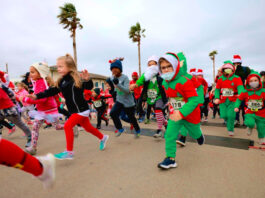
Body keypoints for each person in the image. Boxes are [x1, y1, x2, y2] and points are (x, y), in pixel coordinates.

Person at [28, 54, 109, 160]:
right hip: (74, 111)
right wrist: (36, 96)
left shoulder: (76, 79)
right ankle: (103, 138)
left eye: (61, 66)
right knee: (88, 128)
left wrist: (88, 79)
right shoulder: (61, 81)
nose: (58, 69)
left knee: (67, 126)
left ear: (70, 67)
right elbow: (51, 91)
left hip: (81, 110)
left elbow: (89, 87)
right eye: (57, 67)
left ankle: (69, 152)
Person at [157, 52, 204, 170]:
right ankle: (170, 159)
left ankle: (199, 135)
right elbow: (173, 96)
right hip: (175, 114)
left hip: (190, 114)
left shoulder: (184, 81)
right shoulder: (164, 82)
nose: (166, 70)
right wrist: (171, 103)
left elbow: (194, 100)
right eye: (163, 67)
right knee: (169, 135)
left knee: (194, 134)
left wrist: (181, 112)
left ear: (175, 66)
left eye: (169, 66)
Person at [22, 62, 63, 155]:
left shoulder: (41, 82)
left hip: (50, 110)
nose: (30, 74)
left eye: (32, 72)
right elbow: (37, 96)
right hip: (41, 111)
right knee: (35, 128)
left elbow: (42, 99)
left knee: (57, 127)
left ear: (40, 73)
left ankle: (71, 126)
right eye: (30, 72)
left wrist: (25, 99)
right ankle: (33, 147)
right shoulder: (36, 82)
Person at [130, 56, 168, 138]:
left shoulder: (161, 74)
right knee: (159, 112)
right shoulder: (146, 74)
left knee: (158, 109)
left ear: (157, 65)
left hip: (160, 96)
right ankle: (165, 123)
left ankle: (159, 130)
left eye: (153, 64)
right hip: (150, 97)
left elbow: (167, 81)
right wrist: (135, 85)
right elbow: (140, 80)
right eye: (149, 65)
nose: (151, 67)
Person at [109, 58, 141, 138]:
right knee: (112, 113)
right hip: (120, 100)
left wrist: (118, 84)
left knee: (131, 118)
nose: (114, 70)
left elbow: (127, 90)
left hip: (128, 102)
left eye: (116, 68)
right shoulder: (112, 78)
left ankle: (137, 130)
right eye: (112, 69)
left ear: (120, 69)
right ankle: (120, 128)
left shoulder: (125, 78)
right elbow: (114, 88)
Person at [0, 73, 32, 147]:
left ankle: (30, 138)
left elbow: (11, 96)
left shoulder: (2, 87)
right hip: (1, 111)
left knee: (20, 124)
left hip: (9, 110)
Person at [214, 61, 244, 136]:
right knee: (224, 115)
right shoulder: (220, 79)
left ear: (233, 70)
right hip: (222, 100)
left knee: (231, 116)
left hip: (233, 100)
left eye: (229, 69)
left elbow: (240, 87)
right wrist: (217, 98)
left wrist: (240, 94)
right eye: (226, 69)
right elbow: (217, 89)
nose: (227, 70)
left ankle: (230, 129)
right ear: (223, 70)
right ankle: (229, 122)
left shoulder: (237, 78)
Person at [235, 71, 265, 145]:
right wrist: (236, 106)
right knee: (250, 123)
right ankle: (250, 127)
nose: (253, 82)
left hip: (261, 113)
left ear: (259, 81)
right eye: (251, 81)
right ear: (248, 82)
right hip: (249, 112)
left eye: (255, 80)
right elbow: (239, 99)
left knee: (261, 127)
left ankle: (261, 139)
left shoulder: (263, 91)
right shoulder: (245, 92)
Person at [232, 55, 251, 126]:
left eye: (238, 63)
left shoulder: (245, 69)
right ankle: (236, 120)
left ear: (240, 63)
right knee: (236, 106)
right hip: (235, 91)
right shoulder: (232, 70)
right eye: (235, 63)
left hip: (244, 90)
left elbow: (250, 77)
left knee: (244, 106)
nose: (236, 64)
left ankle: (245, 120)